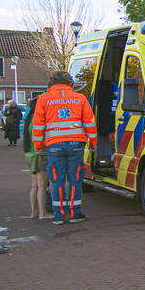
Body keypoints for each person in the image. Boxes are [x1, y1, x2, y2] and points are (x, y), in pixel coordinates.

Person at [32, 71, 97, 225]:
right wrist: (93, 143)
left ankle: (59, 215)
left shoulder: (43, 99)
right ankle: (75, 213)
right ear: (70, 83)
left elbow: (38, 125)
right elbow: (90, 122)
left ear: (52, 82)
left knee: (57, 181)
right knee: (75, 180)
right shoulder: (80, 98)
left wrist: (38, 145)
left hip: (54, 145)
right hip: (76, 145)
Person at [21, 96, 51, 220]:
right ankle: (43, 213)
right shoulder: (38, 121)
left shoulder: (29, 120)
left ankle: (34, 212)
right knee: (42, 186)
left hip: (30, 155)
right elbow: (42, 139)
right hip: (40, 155)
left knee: (34, 186)